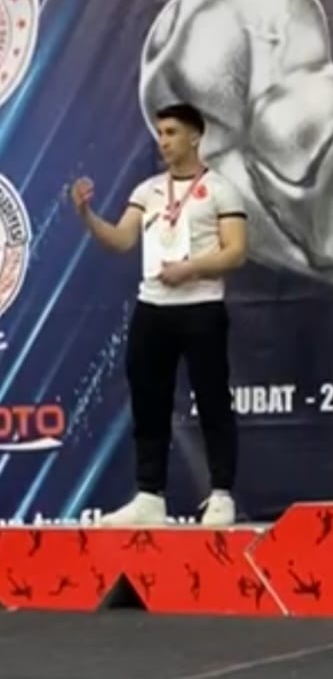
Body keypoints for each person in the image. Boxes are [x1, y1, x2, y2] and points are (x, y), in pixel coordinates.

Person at [70, 102, 247, 527]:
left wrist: (191, 268)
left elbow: (236, 252)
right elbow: (121, 240)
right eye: (160, 133)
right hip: (153, 308)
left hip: (201, 306)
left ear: (195, 137)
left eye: (171, 133)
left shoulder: (221, 189)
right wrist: (87, 215)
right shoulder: (148, 190)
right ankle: (150, 495)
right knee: (149, 402)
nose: (163, 141)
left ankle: (221, 493)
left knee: (211, 400)